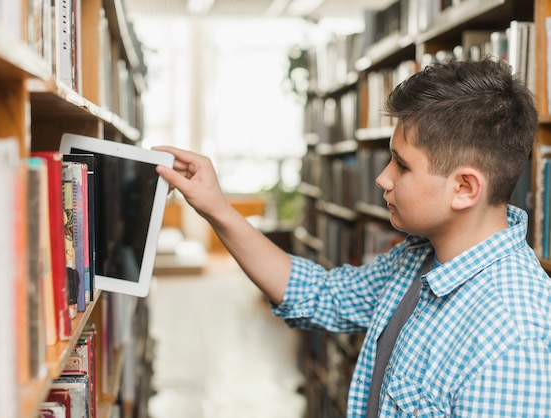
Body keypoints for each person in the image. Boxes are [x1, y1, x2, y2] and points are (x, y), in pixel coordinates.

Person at [153, 58, 551, 417]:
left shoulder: (513, 337)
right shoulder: (418, 258)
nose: (382, 178)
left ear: (465, 188)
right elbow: (318, 293)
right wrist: (218, 209)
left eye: (401, 165)